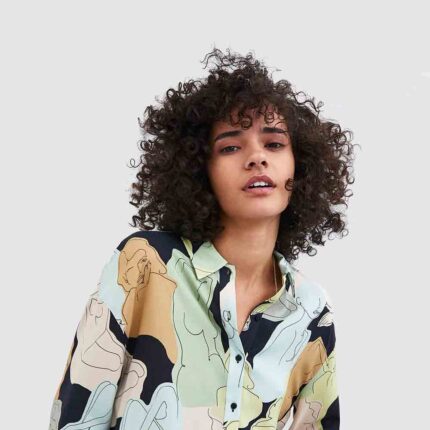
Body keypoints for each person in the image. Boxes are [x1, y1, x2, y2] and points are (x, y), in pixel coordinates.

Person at [49, 47, 356, 430]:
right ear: (199, 169)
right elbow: (77, 416)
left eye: (274, 144)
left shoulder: (311, 309)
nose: (257, 157)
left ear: (301, 165)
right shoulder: (145, 263)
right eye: (230, 147)